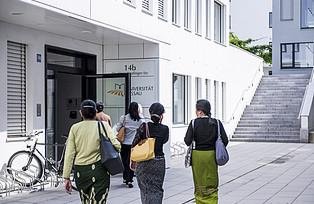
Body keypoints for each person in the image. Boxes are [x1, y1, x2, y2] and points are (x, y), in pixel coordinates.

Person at [63, 99, 121, 203]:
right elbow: (117, 145)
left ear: (81, 113)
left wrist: (66, 177)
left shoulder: (74, 128)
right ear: (95, 112)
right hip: (99, 170)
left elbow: (69, 154)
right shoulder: (103, 125)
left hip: (81, 172)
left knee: (85, 201)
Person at [184, 99, 228, 204]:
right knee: (211, 180)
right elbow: (225, 141)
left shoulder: (194, 123)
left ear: (200, 111)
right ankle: (212, 201)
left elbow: (187, 141)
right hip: (211, 155)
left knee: (199, 182)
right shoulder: (216, 122)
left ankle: (200, 200)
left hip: (197, 156)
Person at [132, 102, 169, 204]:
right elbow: (165, 140)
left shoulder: (144, 126)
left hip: (144, 161)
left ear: (150, 113)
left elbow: (134, 143)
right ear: (162, 115)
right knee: (157, 188)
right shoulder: (165, 129)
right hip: (159, 161)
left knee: (145, 189)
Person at [115, 102, 145, 188]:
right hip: (134, 145)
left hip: (124, 144)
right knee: (132, 162)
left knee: (125, 162)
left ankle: (126, 178)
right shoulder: (140, 120)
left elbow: (117, 129)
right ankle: (129, 179)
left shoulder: (124, 118)